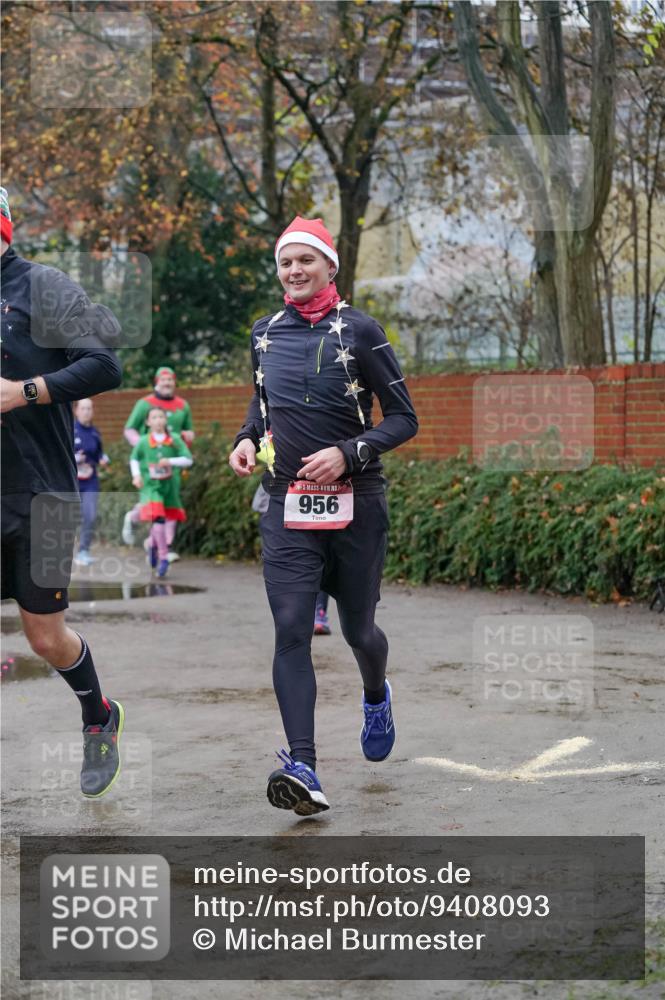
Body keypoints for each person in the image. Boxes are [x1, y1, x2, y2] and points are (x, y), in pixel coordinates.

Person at [229, 216, 418, 816]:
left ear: (330, 266)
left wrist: (348, 453)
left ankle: (375, 693)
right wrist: (244, 438)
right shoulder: (264, 334)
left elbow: (404, 418)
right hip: (287, 503)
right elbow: (262, 407)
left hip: (357, 504)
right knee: (290, 629)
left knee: (360, 631)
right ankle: (304, 766)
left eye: (305, 261)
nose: (294, 271)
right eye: (285, 263)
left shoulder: (361, 330)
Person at [0, 185, 125, 798]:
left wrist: (26, 390)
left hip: (43, 496)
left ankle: (99, 716)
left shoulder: (41, 287)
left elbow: (104, 365)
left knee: (44, 636)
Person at [122, 366, 194, 562]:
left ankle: (163, 546)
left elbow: (189, 431)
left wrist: (186, 438)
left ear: (175, 382)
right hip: (149, 466)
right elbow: (129, 429)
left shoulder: (183, 405)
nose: (167, 383)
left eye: (170, 380)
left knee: (170, 505)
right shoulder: (144, 403)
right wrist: (144, 445)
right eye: (163, 380)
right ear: (156, 382)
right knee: (152, 504)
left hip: (172, 464)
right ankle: (134, 518)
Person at [129, 405, 193, 578]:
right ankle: (163, 558)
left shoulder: (173, 439)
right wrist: (136, 476)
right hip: (150, 488)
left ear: (165, 420)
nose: (158, 420)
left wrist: (170, 461)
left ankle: (153, 546)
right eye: (154, 418)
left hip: (169, 487)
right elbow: (134, 459)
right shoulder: (143, 441)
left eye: (161, 417)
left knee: (163, 521)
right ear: (148, 422)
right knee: (158, 519)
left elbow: (188, 459)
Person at [73, 397, 110, 566]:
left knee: (90, 515)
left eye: (89, 408)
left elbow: (99, 454)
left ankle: (83, 551)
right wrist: (75, 458)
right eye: (83, 408)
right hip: (71, 482)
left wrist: (103, 459)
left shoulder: (95, 433)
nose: (87, 412)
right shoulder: (69, 430)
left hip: (90, 481)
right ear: (76, 411)